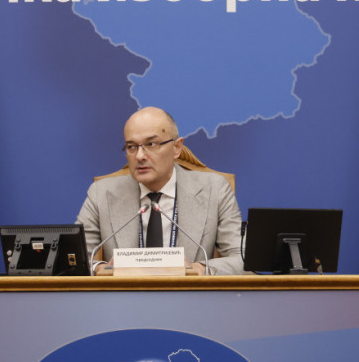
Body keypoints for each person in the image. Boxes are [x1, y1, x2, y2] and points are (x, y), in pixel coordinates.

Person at [77, 107, 244, 275]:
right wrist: (99, 269)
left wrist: (200, 269)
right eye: (131, 146)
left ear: (177, 147)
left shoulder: (215, 189)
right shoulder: (101, 193)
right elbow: (74, 259)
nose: (139, 156)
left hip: (188, 291)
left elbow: (242, 259)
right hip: (126, 291)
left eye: (151, 144)